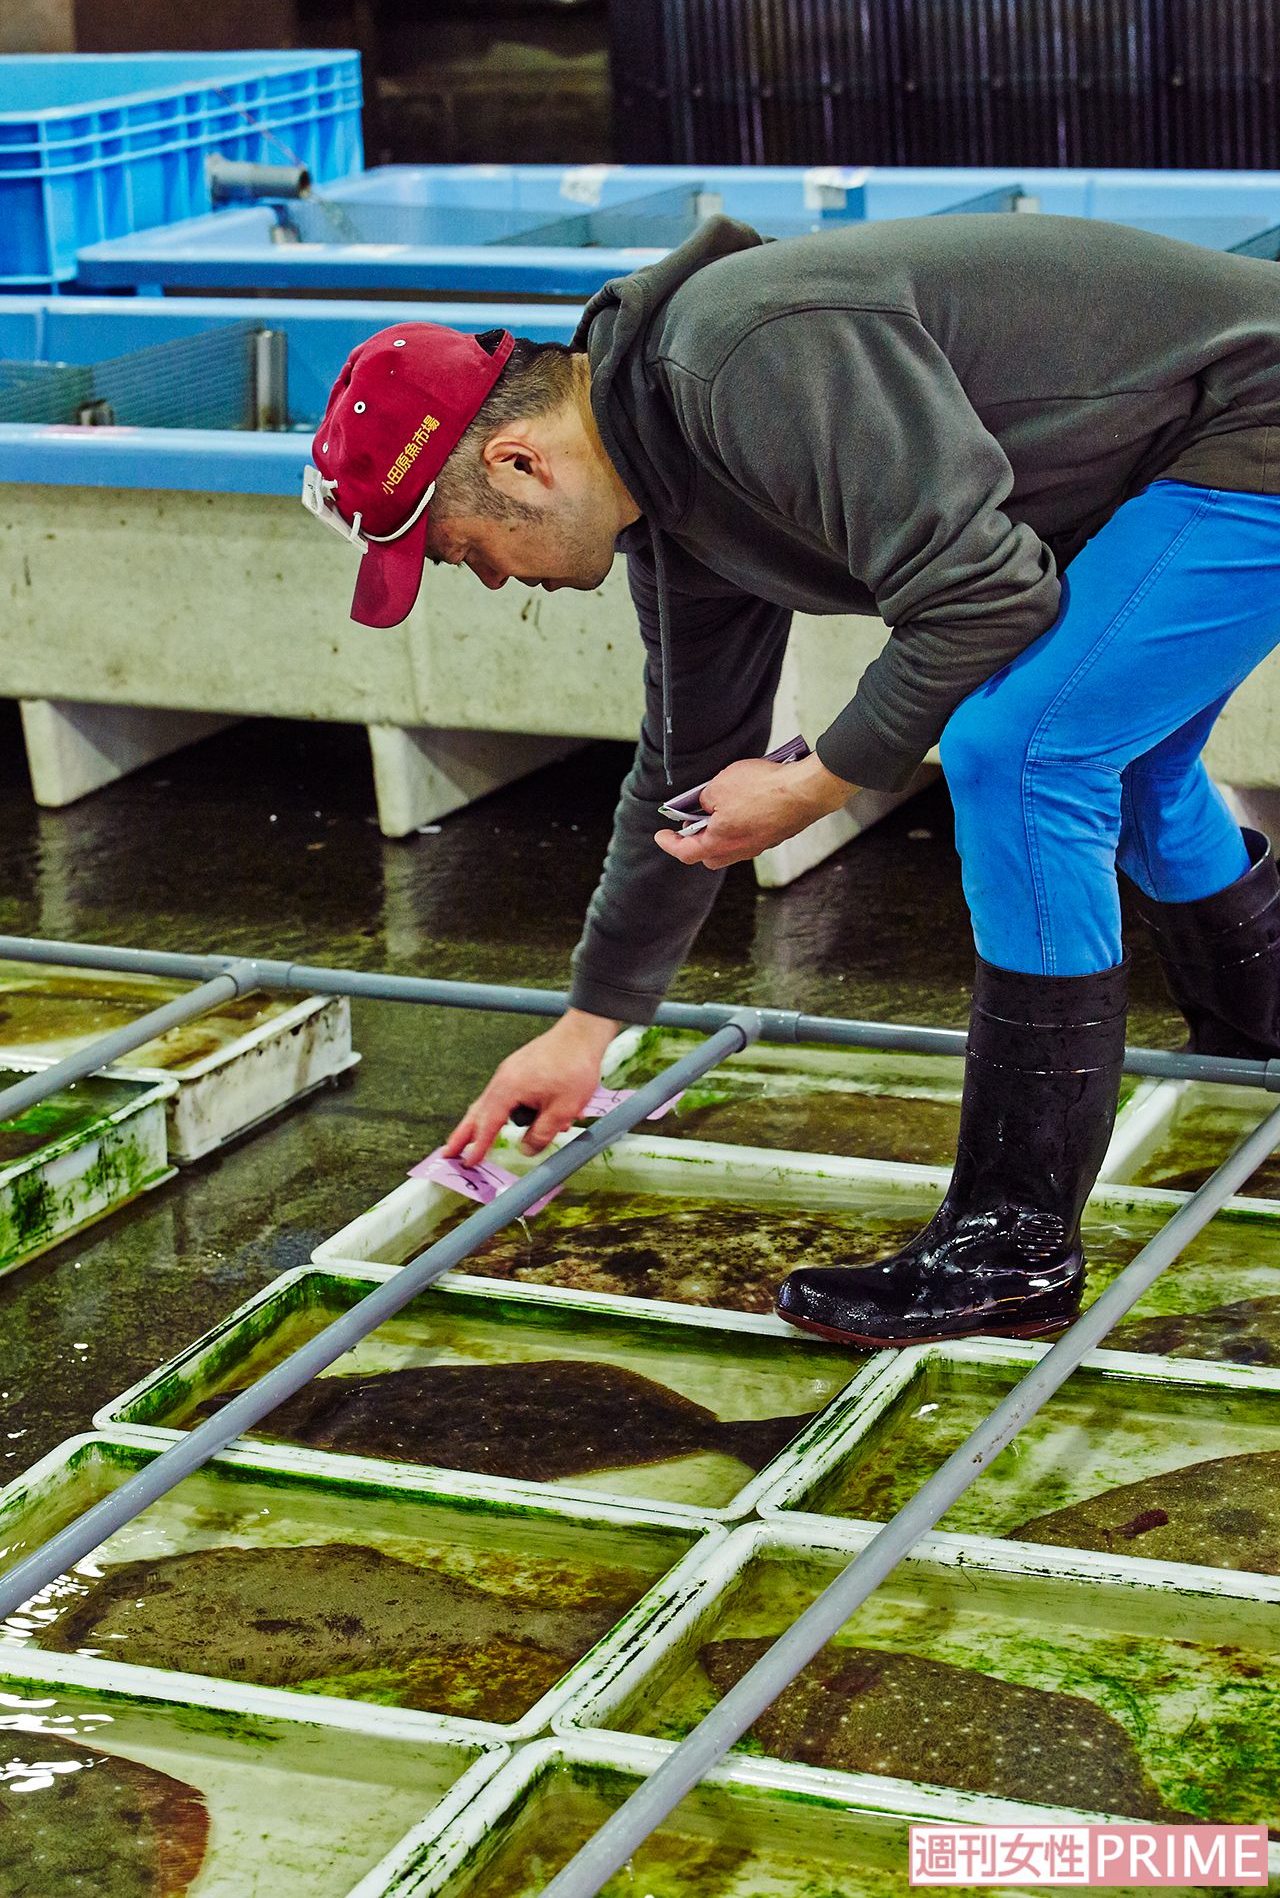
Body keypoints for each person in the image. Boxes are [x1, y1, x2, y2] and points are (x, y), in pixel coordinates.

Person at [302, 211, 1280, 1348]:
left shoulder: (739, 358)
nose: (479, 578)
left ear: (519, 463)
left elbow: (986, 594)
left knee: (1017, 755)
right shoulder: (667, 496)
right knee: (1128, 757)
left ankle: (1010, 1247)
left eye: (458, 548)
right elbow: (679, 770)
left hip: (1249, 427)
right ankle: (1256, 1047)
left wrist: (819, 778)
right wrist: (589, 1025)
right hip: (1177, 460)